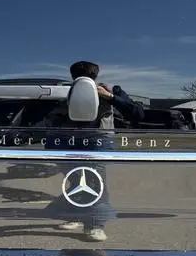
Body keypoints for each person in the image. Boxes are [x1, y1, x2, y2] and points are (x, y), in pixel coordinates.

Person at [39, 61, 144, 242]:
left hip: (97, 141)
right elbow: (47, 118)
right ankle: (75, 214)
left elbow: (137, 114)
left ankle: (95, 223)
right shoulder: (61, 92)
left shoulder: (111, 90)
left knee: (94, 182)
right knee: (76, 180)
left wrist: (110, 96)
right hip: (66, 141)